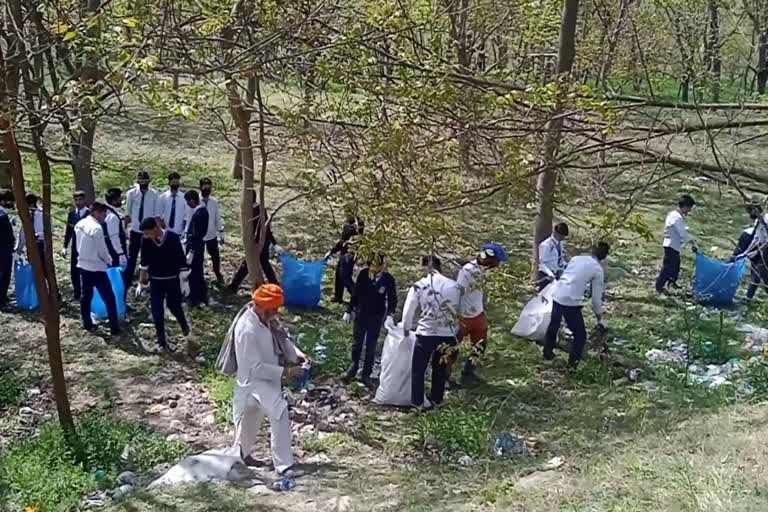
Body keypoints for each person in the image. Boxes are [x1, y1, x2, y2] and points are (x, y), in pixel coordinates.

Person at [231, 284, 309, 477]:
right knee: (279, 412)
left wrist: (298, 355)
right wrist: (287, 371)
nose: (275, 313)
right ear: (262, 305)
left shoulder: (267, 320)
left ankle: (242, 454)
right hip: (254, 382)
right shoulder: (247, 329)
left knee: (250, 417)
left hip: (266, 381)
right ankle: (284, 466)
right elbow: (255, 368)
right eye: (273, 309)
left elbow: (283, 340)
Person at [402, 255, 461, 409]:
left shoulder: (420, 285)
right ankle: (437, 399)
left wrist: (406, 329)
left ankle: (418, 403)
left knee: (418, 369)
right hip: (447, 333)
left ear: (426, 267)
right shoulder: (453, 286)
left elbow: (408, 310)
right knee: (439, 368)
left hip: (426, 333)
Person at [543, 242, 610, 368]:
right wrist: (600, 318)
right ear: (604, 257)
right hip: (571, 301)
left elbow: (567, 274)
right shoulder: (597, 270)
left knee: (554, 324)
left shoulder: (576, 258)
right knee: (580, 335)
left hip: (558, 293)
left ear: (592, 251)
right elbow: (596, 299)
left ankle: (547, 353)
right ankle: (572, 365)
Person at [454, 243, 508, 383]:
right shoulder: (467, 271)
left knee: (479, 345)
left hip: (478, 314)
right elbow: (457, 293)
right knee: (453, 348)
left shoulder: (483, 270)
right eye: (496, 261)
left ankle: (469, 373)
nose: (497, 265)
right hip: (463, 316)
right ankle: (445, 377)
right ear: (488, 258)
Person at [341, 255, 397, 387]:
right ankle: (353, 367)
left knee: (371, 345)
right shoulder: (363, 274)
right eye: (371, 266)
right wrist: (349, 310)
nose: (373, 269)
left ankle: (366, 374)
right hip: (361, 313)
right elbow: (356, 293)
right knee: (357, 342)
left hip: (376, 315)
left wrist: (390, 314)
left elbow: (392, 298)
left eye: (377, 266)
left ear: (382, 266)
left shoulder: (388, 279)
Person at [139, 217, 190, 352]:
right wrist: (141, 280)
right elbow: (144, 260)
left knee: (174, 306)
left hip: (171, 279)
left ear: (155, 229)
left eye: (148, 232)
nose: (146, 235)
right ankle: (162, 342)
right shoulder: (146, 240)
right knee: (157, 311)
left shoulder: (172, 238)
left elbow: (181, 258)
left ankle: (184, 326)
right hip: (155, 280)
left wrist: (184, 280)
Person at [75, 202, 120, 336]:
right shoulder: (97, 228)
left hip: (83, 265)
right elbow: (102, 250)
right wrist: (110, 260)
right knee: (109, 297)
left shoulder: (80, 224)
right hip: (97, 267)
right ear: (96, 212)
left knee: (86, 296)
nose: (104, 217)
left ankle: (87, 322)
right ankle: (114, 327)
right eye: (103, 213)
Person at [226, 201, 280, 293]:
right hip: (259, 241)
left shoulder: (257, 210)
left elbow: (264, 228)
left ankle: (234, 286)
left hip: (259, 243)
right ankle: (275, 285)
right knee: (261, 264)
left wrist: (273, 243)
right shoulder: (255, 209)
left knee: (250, 263)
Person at [125, 171, 160, 291]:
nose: (143, 184)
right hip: (135, 229)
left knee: (149, 256)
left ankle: (148, 280)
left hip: (148, 231)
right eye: (141, 182)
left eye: (145, 182)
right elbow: (128, 213)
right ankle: (128, 280)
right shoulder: (131, 194)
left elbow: (156, 214)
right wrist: (126, 229)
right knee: (132, 256)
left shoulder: (154, 194)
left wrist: (157, 230)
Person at [655, 195, 696, 294]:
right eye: (689, 208)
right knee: (668, 267)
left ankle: (672, 283)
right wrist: (692, 243)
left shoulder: (673, 215)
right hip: (671, 245)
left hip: (674, 245)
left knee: (676, 265)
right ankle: (659, 286)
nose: (689, 211)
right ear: (685, 206)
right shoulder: (677, 218)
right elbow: (682, 233)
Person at [733, 201, 768, 302]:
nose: (750, 215)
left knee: (762, 272)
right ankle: (748, 297)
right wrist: (746, 252)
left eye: (751, 212)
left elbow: (767, 241)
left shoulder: (766, 220)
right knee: (756, 271)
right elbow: (757, 238)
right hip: (763, 247)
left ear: (756, 210)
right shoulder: (757, 221)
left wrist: (756, 252)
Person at [325, 215, 363, 303]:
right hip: (344, 251)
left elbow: (357, 239)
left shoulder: (358, 224)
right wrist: (332, 251)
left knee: (345, 276)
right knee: (339, 273)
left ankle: (357, 298)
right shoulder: (347, 224)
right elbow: (342, 240)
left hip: (351, 252)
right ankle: (338, 296)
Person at [63, 191, 90, 300]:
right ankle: (77, 293)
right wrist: (65, 246)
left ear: (84, 200)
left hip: (87, 246)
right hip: (75, 245)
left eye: (80, 200)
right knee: (74, 271)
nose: (78, 202)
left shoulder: (89, 214)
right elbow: (68, 231)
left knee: (85, 270)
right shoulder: (72, 214)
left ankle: (86, 292)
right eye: (76, 200)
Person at [184, 189, 209, 307]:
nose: (188, 205)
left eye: (188, 202)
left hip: (195, 247)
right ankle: (202, 296)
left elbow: (195, 234)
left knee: (194, 273)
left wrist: (191, 251)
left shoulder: (198, 214)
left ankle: (194, 297)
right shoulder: (204, 211)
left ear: (192, 200)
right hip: (199, 246)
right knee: (198, 271)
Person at [200, 177, 225, 284]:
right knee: (199, 257)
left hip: (211, 235)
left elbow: (217, 218)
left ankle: (217, 273)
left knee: (215, 257)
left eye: (209, 187)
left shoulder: (214, 202)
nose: (207, 189)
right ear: (200, 187)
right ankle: (199, 275)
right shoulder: (196, 201)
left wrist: (221, 233)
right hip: (199, 236)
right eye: (204, 186)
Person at [16, 193, 45, 270]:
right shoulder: (25, 214)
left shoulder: (43, 214)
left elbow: (49, 230)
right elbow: (22, 233)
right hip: (28, 246)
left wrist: (38, 235)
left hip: (41, 246)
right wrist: (18, 250)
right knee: (30, 268)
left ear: (31, 204)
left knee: (41, 268)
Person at [537, 222, 569, 291]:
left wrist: (566, 265)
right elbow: (542, 264)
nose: (562, 238)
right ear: (555, 233)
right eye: (561, 236)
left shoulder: (560, 244)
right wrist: (550, 274)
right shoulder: (545, 245)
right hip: (546, 275)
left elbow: (560, 259)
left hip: (556, 274)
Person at [104, 188, 128, 268]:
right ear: (114, 200)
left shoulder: (113, 212)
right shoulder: (112, 216)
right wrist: (120, 254)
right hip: (115, 254)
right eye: (119, 198)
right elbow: (114, 237)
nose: (121, 199)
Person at [158, 172, 187, 236]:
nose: (175, 184)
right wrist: (162, 228)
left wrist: (184, 230)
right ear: (169, 183)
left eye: (176, 182)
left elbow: (186, 215)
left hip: (179, 232)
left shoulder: (184, 198)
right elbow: (158, 215)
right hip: (165, 233)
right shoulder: (163, 197)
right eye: (173, 182)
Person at [0, 189, 15, 309]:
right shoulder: (2, 216)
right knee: (4, 274)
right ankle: (1, 300)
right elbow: (7, 236)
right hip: (3, 250)